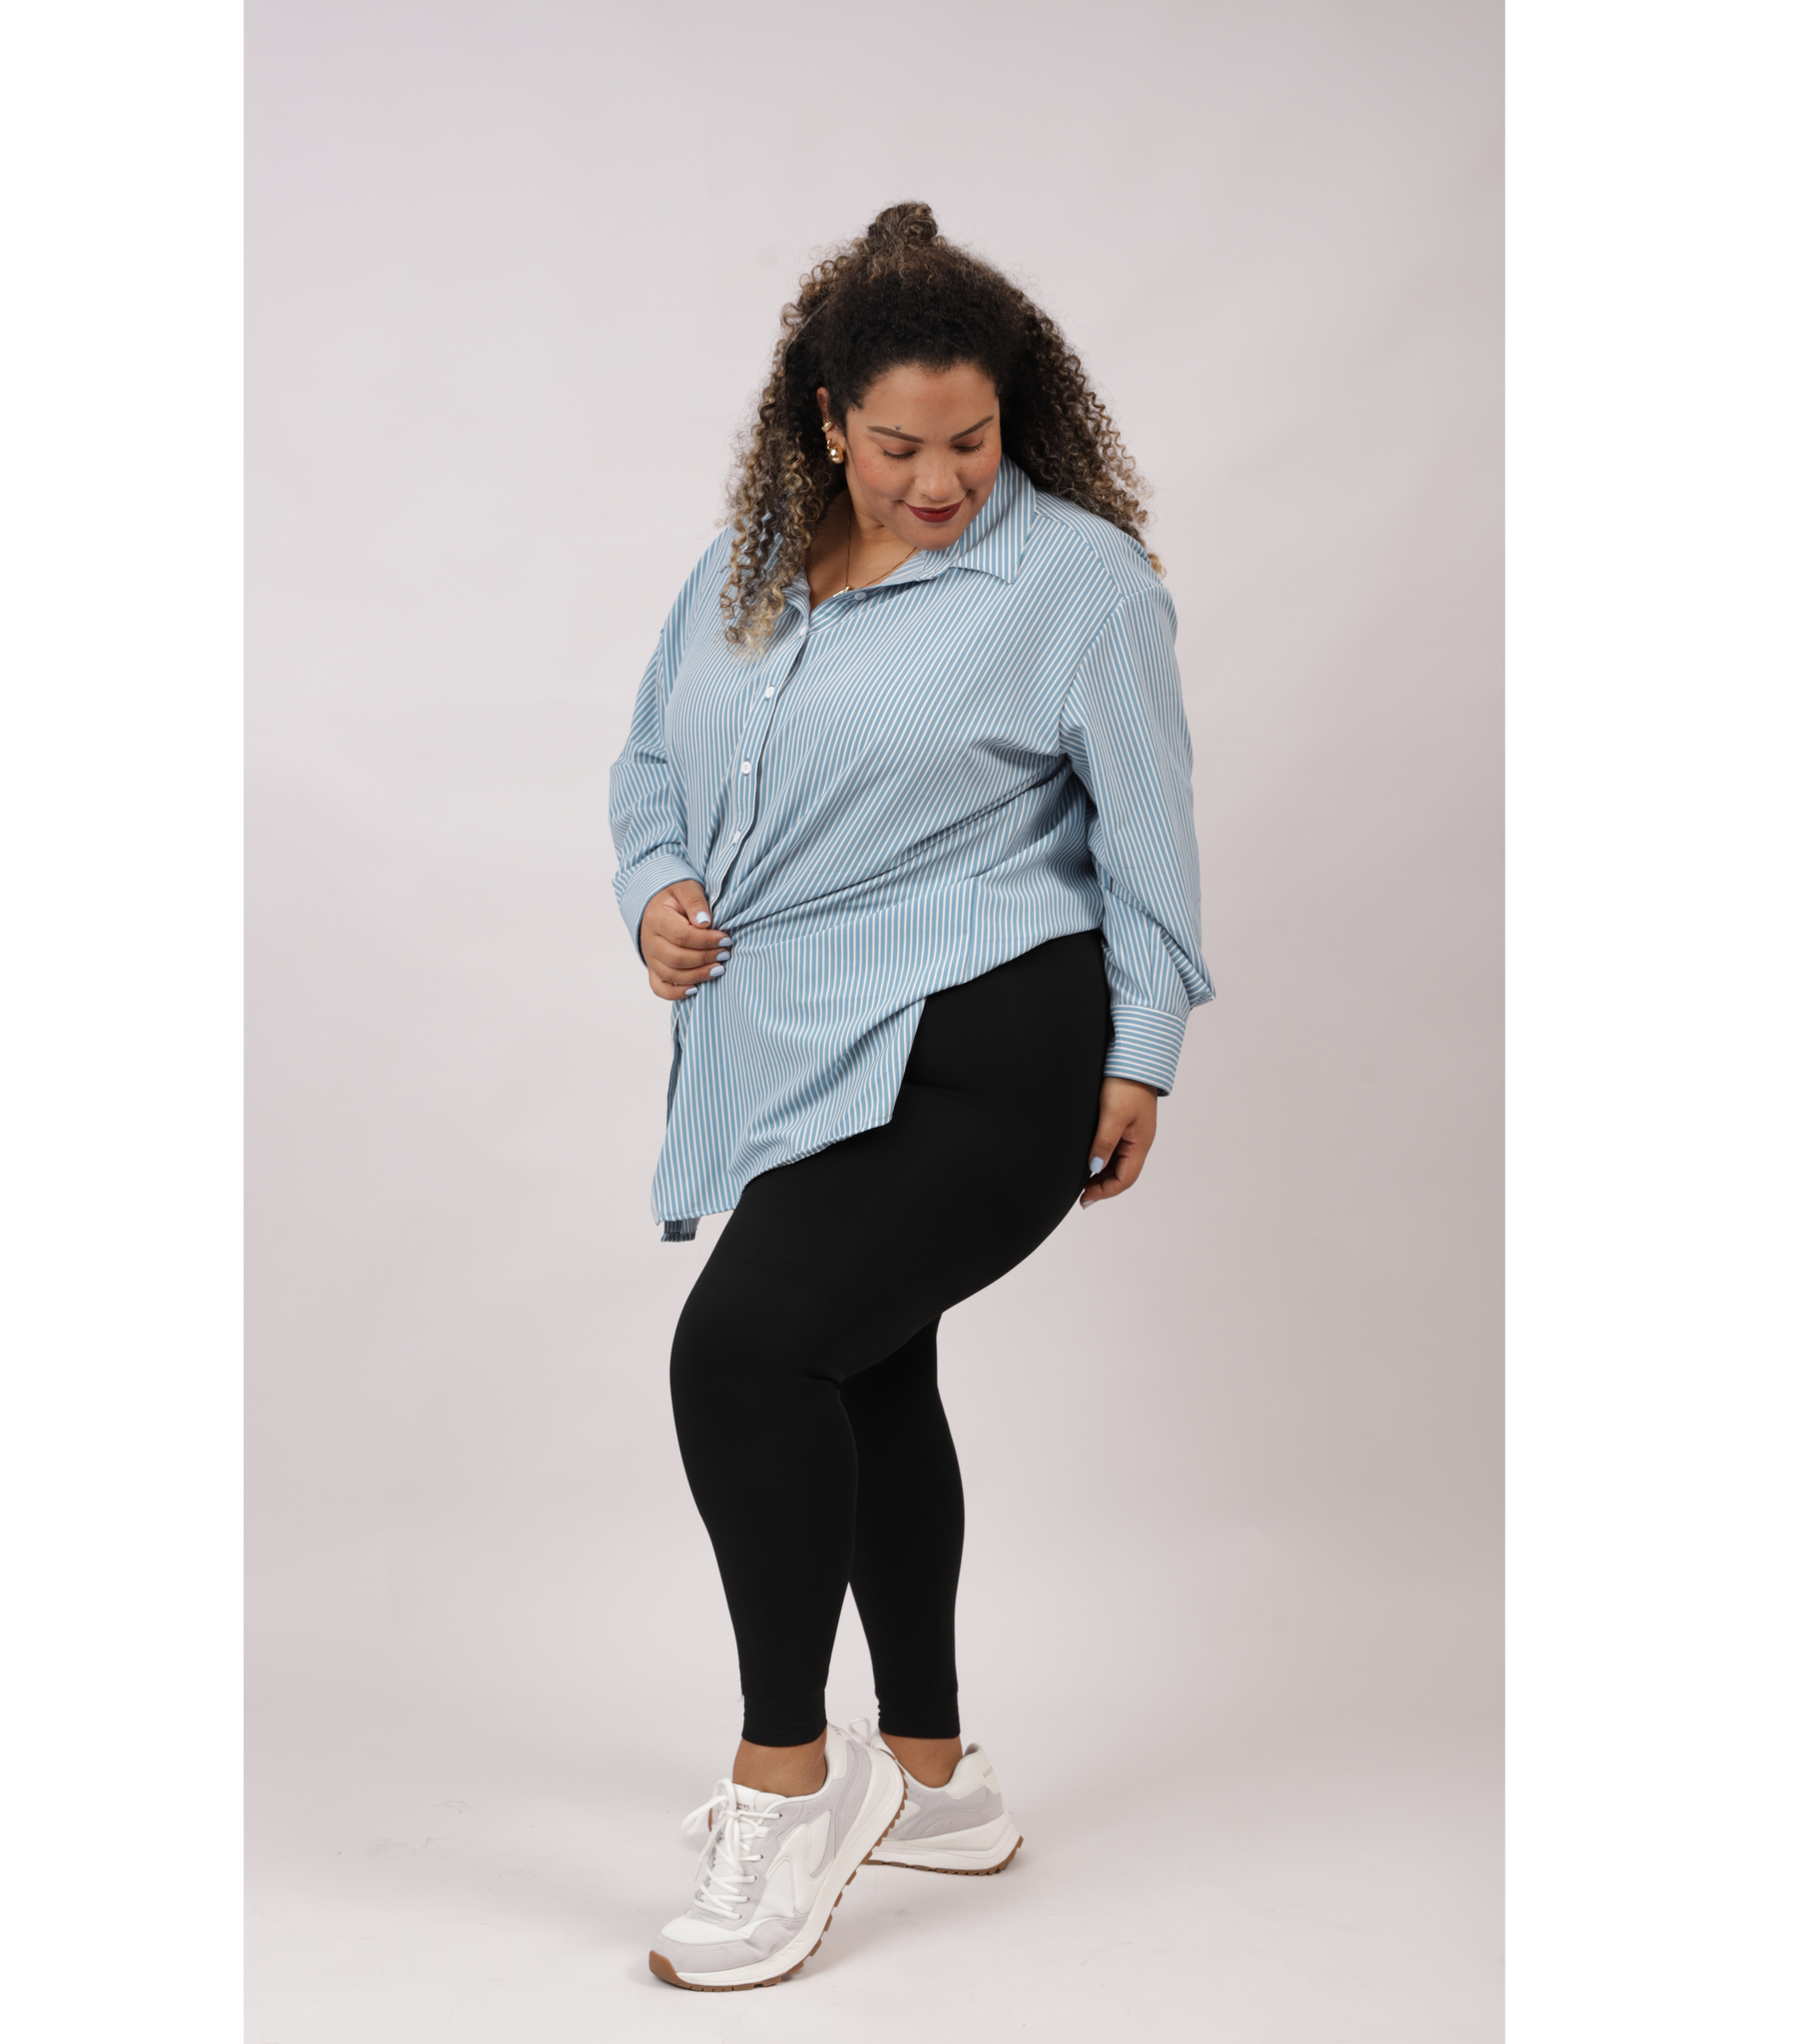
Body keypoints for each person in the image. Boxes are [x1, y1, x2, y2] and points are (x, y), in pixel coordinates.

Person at [608, 202, 1213, 1992]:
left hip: (993, 1044)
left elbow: (1153, 835)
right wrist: (653, 888)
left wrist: (1142, 1049)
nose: (941, 481)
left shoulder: (1078, 585)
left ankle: (790, 1786)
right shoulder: (747, 562)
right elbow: (647, 760)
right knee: (863, 1369)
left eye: (974, 440)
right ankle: (938, 1780)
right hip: (803, 1044)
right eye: (899, 447)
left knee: (744, 1356)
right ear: (824, 422)